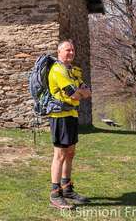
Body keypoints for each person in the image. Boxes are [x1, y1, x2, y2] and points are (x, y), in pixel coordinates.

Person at [47, 39, 91, 209]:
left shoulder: (72, 71)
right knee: (59, 154)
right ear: (59, 52)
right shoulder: (58, 70)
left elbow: (87, 91)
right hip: (60, 116)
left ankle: (67, 189)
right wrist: (81, 92)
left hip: (71, 114)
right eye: (67, 50)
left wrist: (81, 92)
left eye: (72, 50)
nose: (71, 53)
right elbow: (74, 94)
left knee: (70, 152)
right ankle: (55, 193)